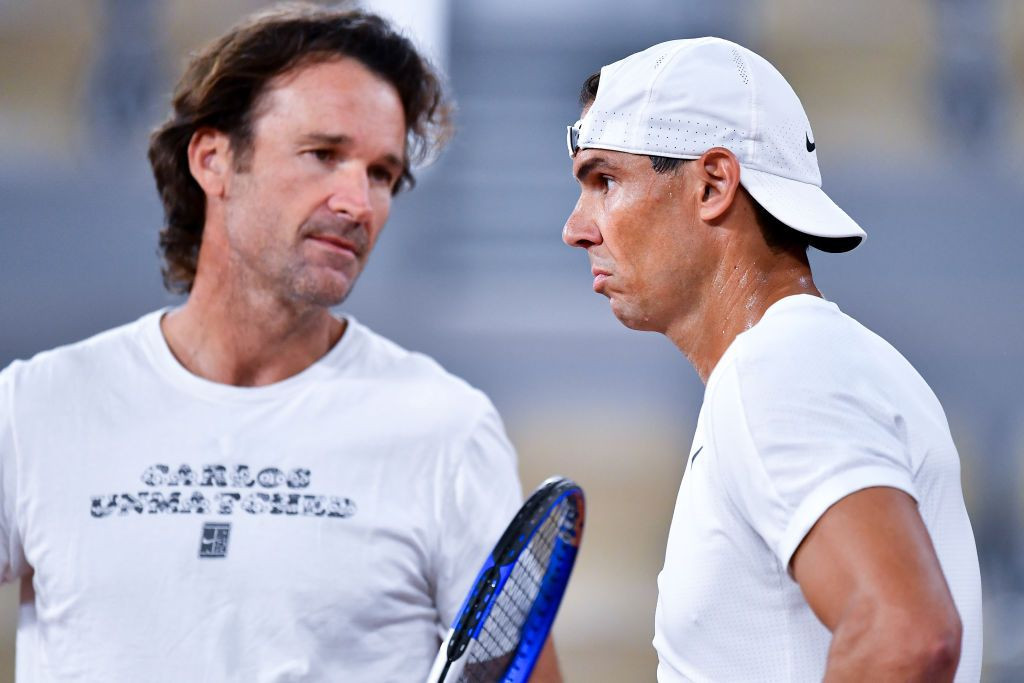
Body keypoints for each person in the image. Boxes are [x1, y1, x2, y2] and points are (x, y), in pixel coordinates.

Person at [0, 5, 552, 681]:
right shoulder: (36, 406)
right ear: (214, 159)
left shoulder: (446, 429)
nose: (358, 202)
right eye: (324, 155)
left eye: (381, 174)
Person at [562, 38, 982, 681]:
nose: (577, 227)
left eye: (605, 180)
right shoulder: (820, 361)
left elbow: (906, 635)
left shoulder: (781, 369)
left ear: (713, 184)